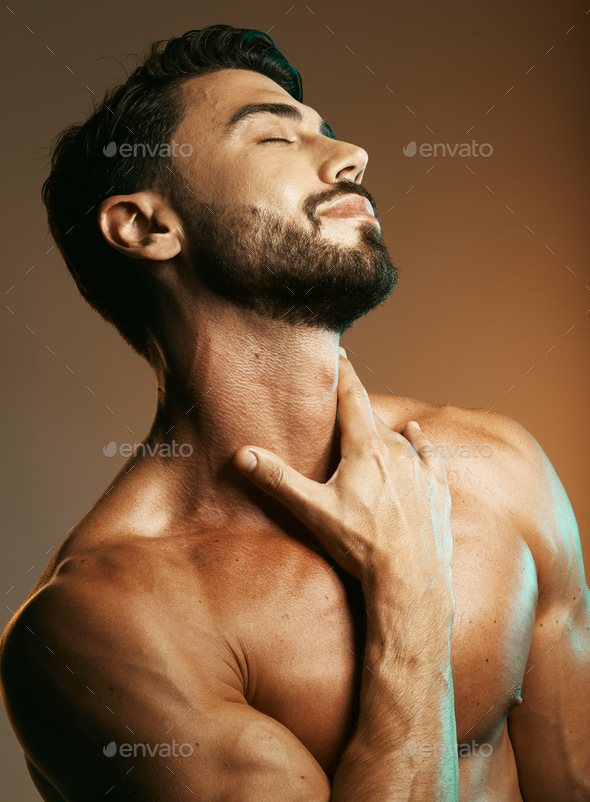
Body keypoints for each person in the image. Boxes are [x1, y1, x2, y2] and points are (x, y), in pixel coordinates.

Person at [1, 23, 589, 801]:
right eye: (275, 139)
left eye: (330, 133)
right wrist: (410, 596)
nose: (352, 157)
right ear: (146, 225)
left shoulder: (497, 467)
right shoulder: (100, 621)